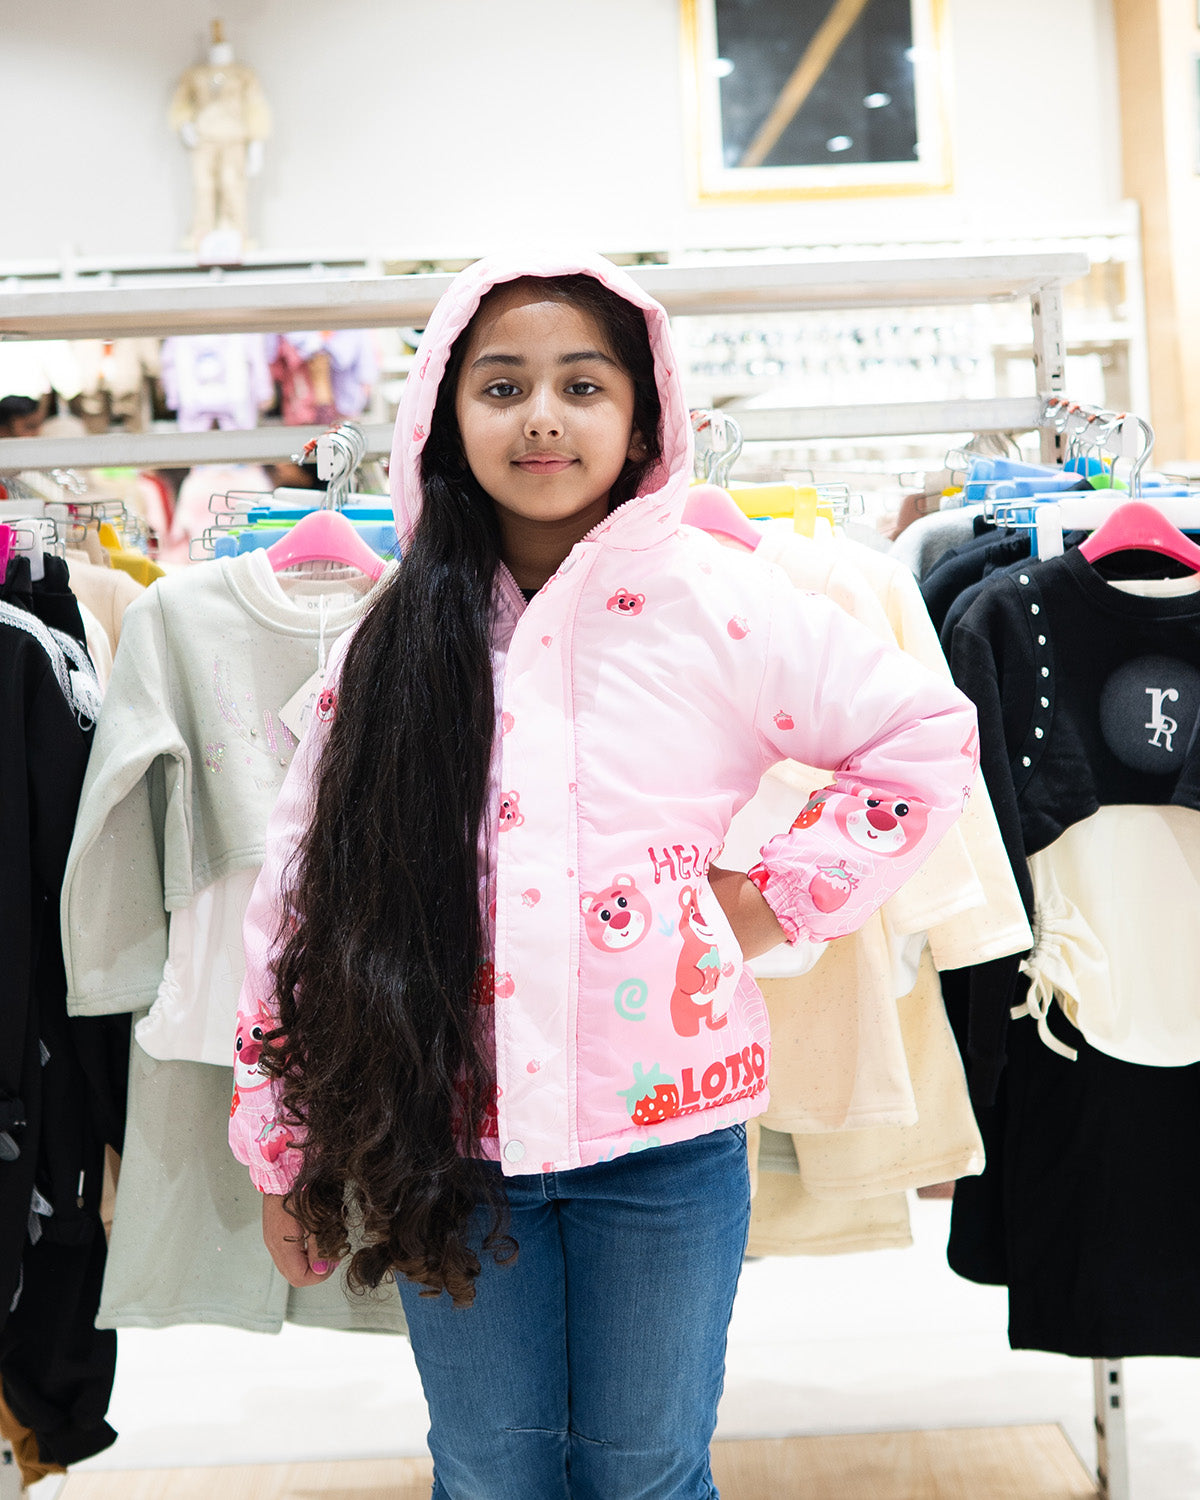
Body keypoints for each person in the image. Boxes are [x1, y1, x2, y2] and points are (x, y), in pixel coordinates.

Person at [229, 250, 978, 1499]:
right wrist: (284, 1144)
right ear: (441, 415)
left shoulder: (718, 603)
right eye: (501, 385)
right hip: (444, 1134)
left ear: (642, 414)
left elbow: (924, 738)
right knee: (486, 1473)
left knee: (648, 1474)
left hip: (665, 1144)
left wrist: (764, 898)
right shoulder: (395, 638)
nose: (541, 418)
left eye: (582, 385)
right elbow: (300, 896)